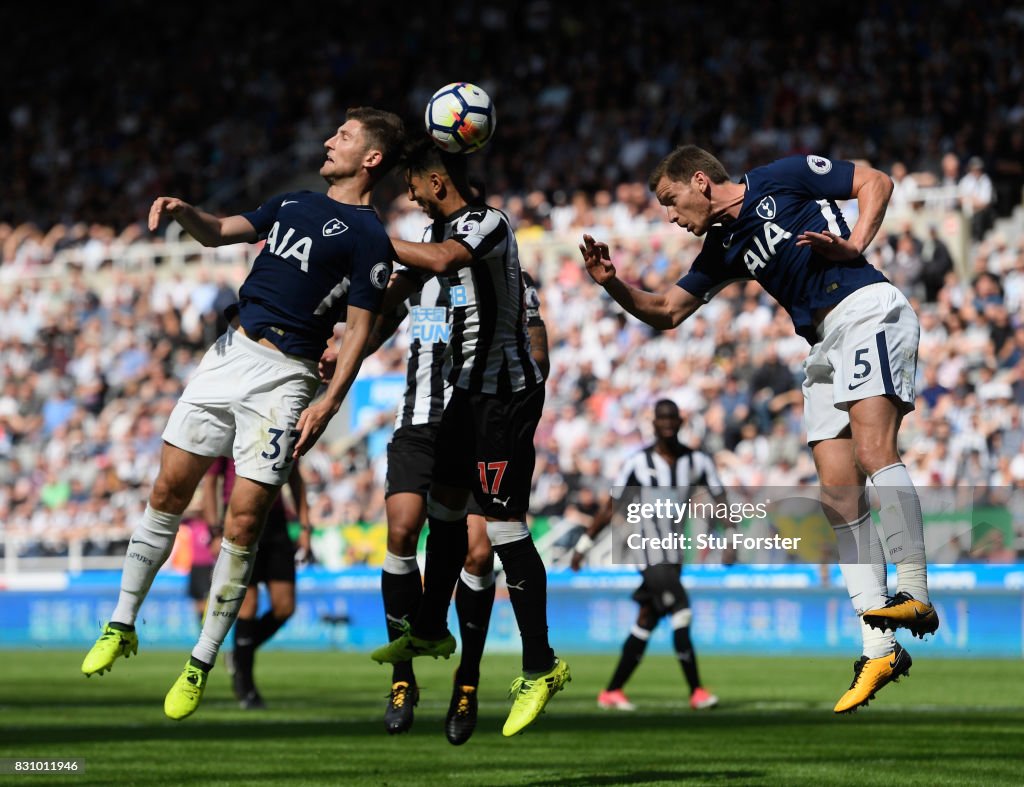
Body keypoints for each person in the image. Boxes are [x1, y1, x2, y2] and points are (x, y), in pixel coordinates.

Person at [580, 145, 938, 715]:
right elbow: (668, 311)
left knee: (874, 451)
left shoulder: (782, 177)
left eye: (672, 202)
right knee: (838, 496)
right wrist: (612, 285)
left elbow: (876, 180)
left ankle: (915, 593)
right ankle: (880, 648)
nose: (671, 217)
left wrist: (856, 242)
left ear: (700, 180)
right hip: (822, 343)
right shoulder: (722, 247)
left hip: (865, 308)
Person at [80, 107, 405, 722]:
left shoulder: (369, 237)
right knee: (168, 490)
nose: (329, 139)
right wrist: (184, 214)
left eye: (345, 135)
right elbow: (220, 229)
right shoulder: (289, 203)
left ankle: (201, 661)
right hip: (228, 355)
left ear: (372, 159)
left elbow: (361, 327)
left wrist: (330, 399)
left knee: (245, 522)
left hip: (287, 378)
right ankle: (121, 622)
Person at [370, 140, 568, 738]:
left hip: (502, 400)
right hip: (460, 398)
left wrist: (360, 238)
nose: (408, 196)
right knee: (442, 510)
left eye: (412, 184)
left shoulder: (486, 224)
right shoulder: (430, 263)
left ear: (435, 182)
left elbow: (442, 261)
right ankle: (429, 627)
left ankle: (540, 664)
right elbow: (395, 301)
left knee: (501, 534)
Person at [571, 399, 721, 712]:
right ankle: (696, 691)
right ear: (653, 423)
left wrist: (731, 534)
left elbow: (722, 499)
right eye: (661, 418)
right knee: (681, 610)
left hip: (675, 553)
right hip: (648, 552)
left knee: (647, 620)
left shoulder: (697, 461)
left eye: (672, 418)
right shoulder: (637, 462)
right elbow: (611, 505)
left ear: (680, 422)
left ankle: (611, 691)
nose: (667, 423)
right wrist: (583, 546)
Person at [202, 457, 311, 710]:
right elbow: (210, 481)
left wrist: (305, 526)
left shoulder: (284, 423)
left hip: (276, 523)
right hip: (238, 518)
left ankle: (238, 655)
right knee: (247, 605)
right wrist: (214, 529)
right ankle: (246, 688)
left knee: (285, 607)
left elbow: (295, 478)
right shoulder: (233, 426)